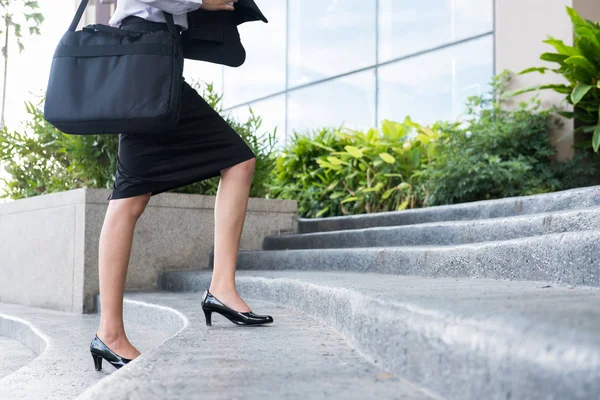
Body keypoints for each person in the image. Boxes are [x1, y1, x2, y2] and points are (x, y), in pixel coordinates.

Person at [89, 0, 273, 373]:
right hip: (145, 56)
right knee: (133, 195)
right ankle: (111, 331)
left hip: (153, 56)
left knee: (131, 196)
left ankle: (113, 331)